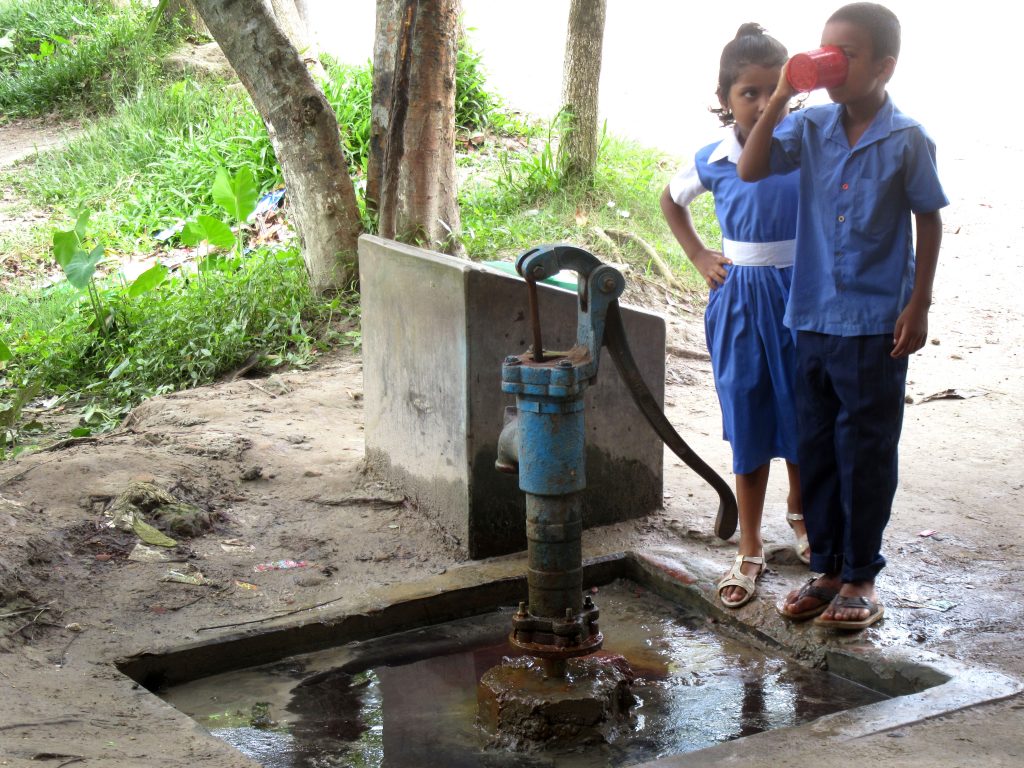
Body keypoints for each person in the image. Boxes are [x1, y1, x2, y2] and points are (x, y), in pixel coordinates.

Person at [737, 2, 947, 629]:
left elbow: (928, 219)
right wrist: (782, 92)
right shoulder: (812, 128)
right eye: (826, 48)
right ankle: (826, 568)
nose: (831, 62)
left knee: (868, 449)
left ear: (885, 66)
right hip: (812, 318)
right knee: (818, 445)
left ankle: (860, 576)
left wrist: (919, 302)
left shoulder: (906, 138)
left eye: (847, 53)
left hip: (877, 324)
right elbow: (750, 167)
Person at [661, 23, 808, 610]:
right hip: (741, 300)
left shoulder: (803, 143)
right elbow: (671, 199)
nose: (764, 102)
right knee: (748, 413)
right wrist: (699, 254)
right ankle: (749, 545)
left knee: (804, 408)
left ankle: (803, 517)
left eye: (776, 91)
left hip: (801, 295)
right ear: (725, 98)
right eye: (750, 92)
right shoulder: (715, 158)